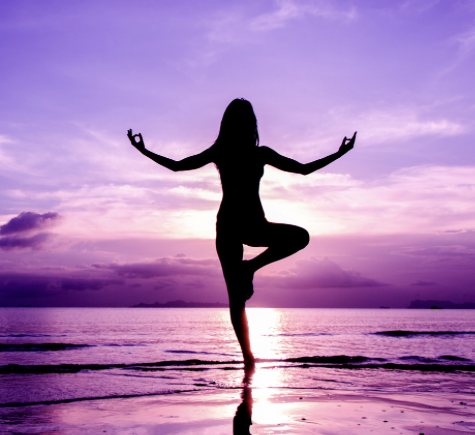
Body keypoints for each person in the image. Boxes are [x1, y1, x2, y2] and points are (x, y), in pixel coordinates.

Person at [128, 98, 356, 372]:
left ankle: (250, 273)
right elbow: (304, 169)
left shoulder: (240, 152)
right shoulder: (242, 153)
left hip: (238, 225)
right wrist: (340, 153)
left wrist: (143, 151)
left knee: (288, 248)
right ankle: (249, 358)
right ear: (251, 124)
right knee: (241, 292)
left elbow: (177, 165)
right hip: (236, 227)